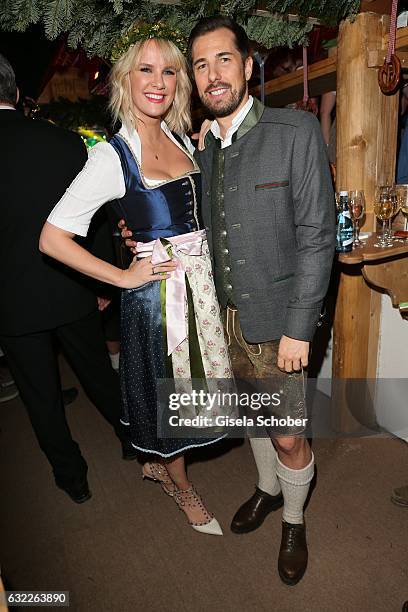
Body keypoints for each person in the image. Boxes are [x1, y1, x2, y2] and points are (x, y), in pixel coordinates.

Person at [40, 38, 232, 536]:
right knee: (166, 396)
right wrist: (124, 276)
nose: (158, 82)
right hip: (157, 301)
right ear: (126, 81)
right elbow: (53, 237)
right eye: (145, 70)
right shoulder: (112, 155)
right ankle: (181, 485)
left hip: (200, 289)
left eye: (169, 72)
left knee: (197, 392)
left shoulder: (181, 138)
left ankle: (160, 464)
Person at [186, 16, 335, 584]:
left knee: (289, 433)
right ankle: (267, 489)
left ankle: (293, 519)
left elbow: (318, 235)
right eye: (201, 64)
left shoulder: (294, 131)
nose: (212, 74)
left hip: (282, 324)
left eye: (224, 59)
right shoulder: (202, 151)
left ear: (248, 65)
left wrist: (300, 327)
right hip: (225, 319)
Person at [0, 53, 135, 505]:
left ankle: (72, 477)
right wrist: (100, 283)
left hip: (12, 302)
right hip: (70, 283)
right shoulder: (64, 141)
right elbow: (93, 221)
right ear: (16, 94)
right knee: (98, 372)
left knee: (39, 396)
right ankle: (133, 440)